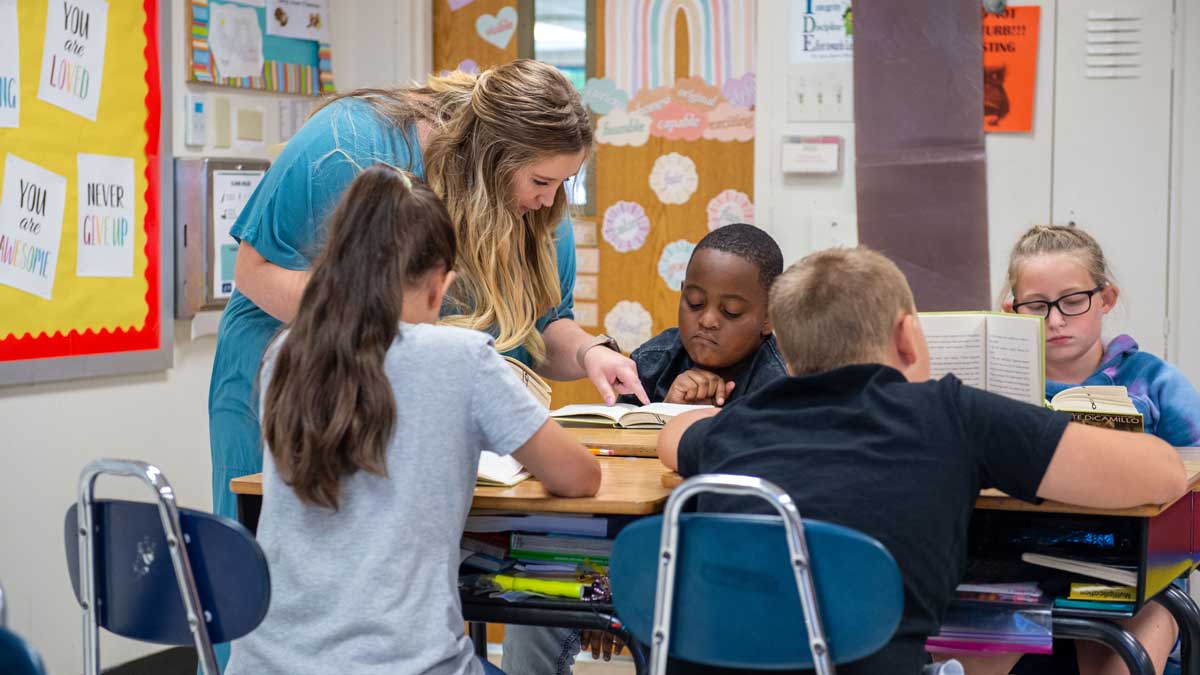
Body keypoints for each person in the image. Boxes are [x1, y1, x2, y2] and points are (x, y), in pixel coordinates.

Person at [208, 58, 647, 668]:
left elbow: (545, 322)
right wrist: (373, 329)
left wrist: (594, 350)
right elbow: (254, 273)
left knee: (393, 569)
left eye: (563, 184)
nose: (552, 202)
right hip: (306, 383)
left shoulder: (535, 211)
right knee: (281, 569)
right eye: (542, 182)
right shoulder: (348, 146)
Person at [656, 246, 1188, 675]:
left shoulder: (738, 427)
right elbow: (1163, 475)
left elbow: (673, 437)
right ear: (908, 337)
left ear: (789, 355)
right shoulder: (951, 414)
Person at [1002, 224, 1200, 675]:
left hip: (1138, 576)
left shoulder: (1156, 383)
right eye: (1036, 306)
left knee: (1120, 654)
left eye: (1073, 302)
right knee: (964, 648)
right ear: (1012, 310)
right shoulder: (1001, 387)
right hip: (1017, 570)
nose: (1055, 321)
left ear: (1106, 299)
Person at [625, 223, 787, 406]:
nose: (707, 320)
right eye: (695, 302)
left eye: (731, 311)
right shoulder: (651, 361)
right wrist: (666, 411)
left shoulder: (781, 386)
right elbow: (617, 429)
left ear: (769, 317)